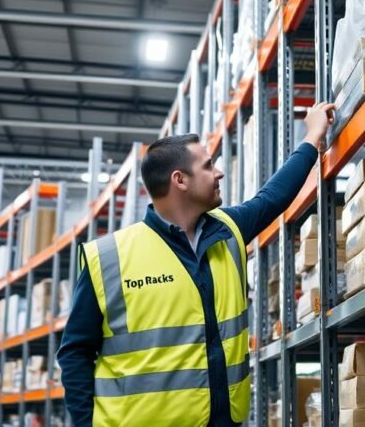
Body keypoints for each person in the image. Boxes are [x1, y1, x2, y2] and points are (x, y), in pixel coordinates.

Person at [57, 102, 336, 427]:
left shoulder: (228, 230)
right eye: (208, 166)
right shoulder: (107, 257)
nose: (218, 172)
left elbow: (274, 196)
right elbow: (75, 353)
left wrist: (312, 136)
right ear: (180, 180)